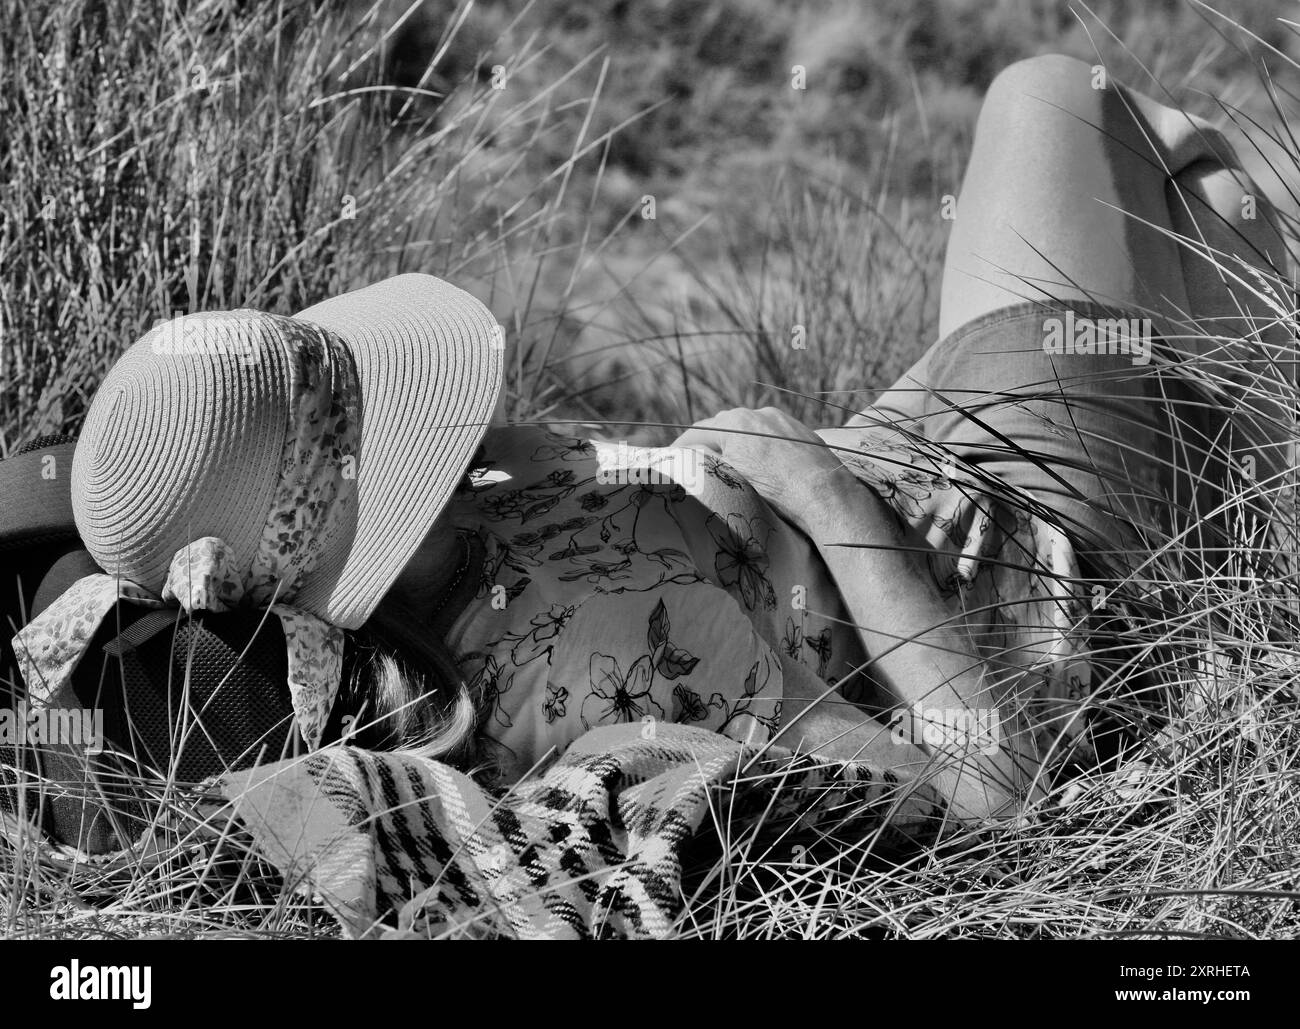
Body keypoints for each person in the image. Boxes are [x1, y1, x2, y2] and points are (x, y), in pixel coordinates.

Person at [13, 54, 1292, 828]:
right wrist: (831, 500)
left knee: (1205, 199)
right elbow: (985, 784)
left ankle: (1248, 445)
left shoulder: (453, 537)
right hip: (1051, 538)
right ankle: (1238, 477)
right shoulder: (597, 713)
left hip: (942, 432)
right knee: (1077, 111)